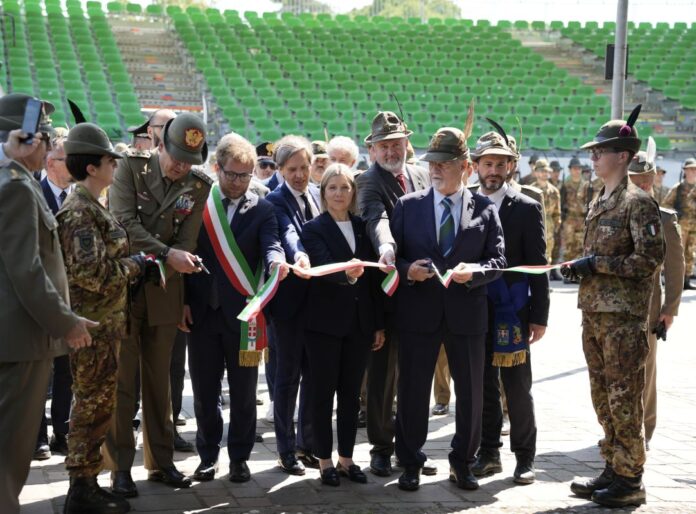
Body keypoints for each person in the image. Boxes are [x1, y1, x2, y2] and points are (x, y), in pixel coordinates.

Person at [391, 127, 506, 492]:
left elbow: (499, 260)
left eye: (444, 163)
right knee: (412, 390)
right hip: (418, 313)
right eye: (432, 163)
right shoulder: (408, 206)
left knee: (470, 394)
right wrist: (408, 270)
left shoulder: (485, 208)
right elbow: (393, 259)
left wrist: (474, 273)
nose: (436, 169)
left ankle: (463, 463)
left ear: (466, 168)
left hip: (466, 315)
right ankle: (409, 461)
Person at [105, 113, 212, 496]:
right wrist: (168, 253)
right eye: (177, 155)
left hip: (166, 294)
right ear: (160, 143)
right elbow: (123, 224)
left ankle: (161, 462)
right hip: (125, 290)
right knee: (123, 384)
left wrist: (175, 258)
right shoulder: (130, 169)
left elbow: (189, 237)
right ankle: (119, 467)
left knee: (160, 383)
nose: (181, 165)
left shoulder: (197, 185)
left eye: (190, 158)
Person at [0, 93, 96, 514]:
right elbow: (27, 270)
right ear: (21, 138)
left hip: (19, 339)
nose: (47, 142)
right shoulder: (16, 187)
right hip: (20, 343)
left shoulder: (16, 182)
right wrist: (67, 323)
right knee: (9, 452)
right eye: (41, 135)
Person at [563, 107, 664, 507]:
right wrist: (580, 268)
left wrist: (597, 265)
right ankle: (614, 464)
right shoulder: (599, 199)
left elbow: (648, 260)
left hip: (623, 319)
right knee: (603, 396)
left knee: (624, 398)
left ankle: (631, 477)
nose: (593, 157)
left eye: (600, 151)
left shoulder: (637, 203)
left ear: (622, 156)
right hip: (595, 314)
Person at [57, 123, 160, 514]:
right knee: (90, 406)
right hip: (93, 328)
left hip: (105, 324)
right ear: (91, 167)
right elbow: (91, 274)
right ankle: (80, 487)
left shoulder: (92, 205)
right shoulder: (81, 212)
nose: (115, 166)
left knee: (99, 406)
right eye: (109, 160)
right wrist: (136, 266)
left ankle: (87, 482)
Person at [182, 132, 286, 483]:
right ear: (217, 168)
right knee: (204, 392)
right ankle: (208, 455)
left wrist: (276, 263)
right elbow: (183, 251)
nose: (239, 182)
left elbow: (271, 244)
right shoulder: (199, 204)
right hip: (201, 313)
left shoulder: (264, 208)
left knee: (244, 394)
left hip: (245, 316)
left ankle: (240, 457)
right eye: (232, 175)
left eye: (246, 175)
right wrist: (182, 301)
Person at [467, 130, 549, 485]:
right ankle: (488, 454)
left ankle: (524, 457)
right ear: (475, 166)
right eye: (488, 163)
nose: (494, 170)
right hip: (473, 310)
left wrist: (540, 317)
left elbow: (538, 265)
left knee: (517, 388)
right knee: (481, 386)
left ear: (512, 167)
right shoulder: (465, 203)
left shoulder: (528, 207)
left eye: (501, 163)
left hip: (513, 313)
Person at [355, 111, 430, 478]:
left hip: (422, 295)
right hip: (385, 293)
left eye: (396, 144)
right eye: (383, 146)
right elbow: (375, 219)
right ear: (372, 150)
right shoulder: (367, 183)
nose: (390, 151)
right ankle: (381, 448)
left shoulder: (420, 174)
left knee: (415, 377)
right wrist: (386, 248)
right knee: (382, 380)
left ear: (406, 144)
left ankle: (410, 449)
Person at [301, 164, 385, 486]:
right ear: (323, 193)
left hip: (359, 326)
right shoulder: (313, 229)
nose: (339, 193)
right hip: (323, 325)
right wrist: (346, 274)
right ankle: (324, 460)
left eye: (345, 187)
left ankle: (346, 459)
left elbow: (374, 281)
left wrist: (377, 324)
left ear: (353, 193)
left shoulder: (363, 227)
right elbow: (320, 268)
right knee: (322, 394)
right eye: (332, 187)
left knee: (350, 396)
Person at [266, 135, 320, 475]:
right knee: (287, 380)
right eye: (292, 169)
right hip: (287, 308)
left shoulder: (318, 193)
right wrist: (298, 255)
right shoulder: (274, 201)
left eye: (304, 167)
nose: (299, 175)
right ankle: (285, 449)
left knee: (314, 378)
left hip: (318, 305)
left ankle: (307, 444)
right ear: (281, 169)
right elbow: (288, 234)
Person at [626, 151, 684, 448]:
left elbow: (676, 267)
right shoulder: (616, 211)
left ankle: (644, 430)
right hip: (618, 303)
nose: (636, 188)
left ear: (651, 184)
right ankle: (621, 428)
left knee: (646, 367)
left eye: (641, 183)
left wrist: (670, 310)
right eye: (631, 182)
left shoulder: (663, 219)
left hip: (649, 303)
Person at [34, 133, 74, 460]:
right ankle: (37, 436)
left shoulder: (80, 196)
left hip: (72, 296)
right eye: (67, 159)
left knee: (67, 368)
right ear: (51, 163)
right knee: (40, 370)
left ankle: (63, 429)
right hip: (42, 297)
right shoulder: (34, 193)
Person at [662, 158, 696, 289]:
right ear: (685, 171)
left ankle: (686, 279)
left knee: (691, 253)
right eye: (691, 169)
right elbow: (666, 204)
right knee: (678, 253)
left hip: (694, 226)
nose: (693, 172)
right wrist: (676, 214)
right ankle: (676, 280)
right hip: (681, 226)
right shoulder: (679, 187)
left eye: (695, 169)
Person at [531, 159, 561, 266]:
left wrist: (554, 227)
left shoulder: (554, 191)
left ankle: (545, 281)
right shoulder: (530, 190)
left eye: (546, 171)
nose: (545, 174)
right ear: (536, 172)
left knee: (547, 259)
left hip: (549, 230)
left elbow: (557, 214)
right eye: (542, 171)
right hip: (533, 227)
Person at [560, 156, 587, 264]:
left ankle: (577, 273)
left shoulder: (586, 185)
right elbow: (561, 202)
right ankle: (567, 272)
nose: (577, 171)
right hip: (569, 218)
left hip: (581, 219)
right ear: (570, 169)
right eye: (574, 168)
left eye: (579, 168)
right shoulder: (565, 184)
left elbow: (589, 202)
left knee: (580, 246)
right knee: (569, 245)